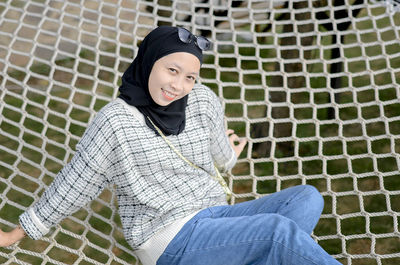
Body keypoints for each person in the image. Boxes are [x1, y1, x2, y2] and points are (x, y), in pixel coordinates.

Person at [0, 26, 341, 265]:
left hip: (214, 216)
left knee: (306, 198)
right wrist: (18, 232)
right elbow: (76, 183)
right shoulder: (116, 121)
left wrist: (229, 152)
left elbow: (220, 157)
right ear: (150, 61)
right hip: (169, 238)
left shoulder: (203, 100)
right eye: (171, 70)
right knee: (277, 233)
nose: (178, 85)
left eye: (189, 76)